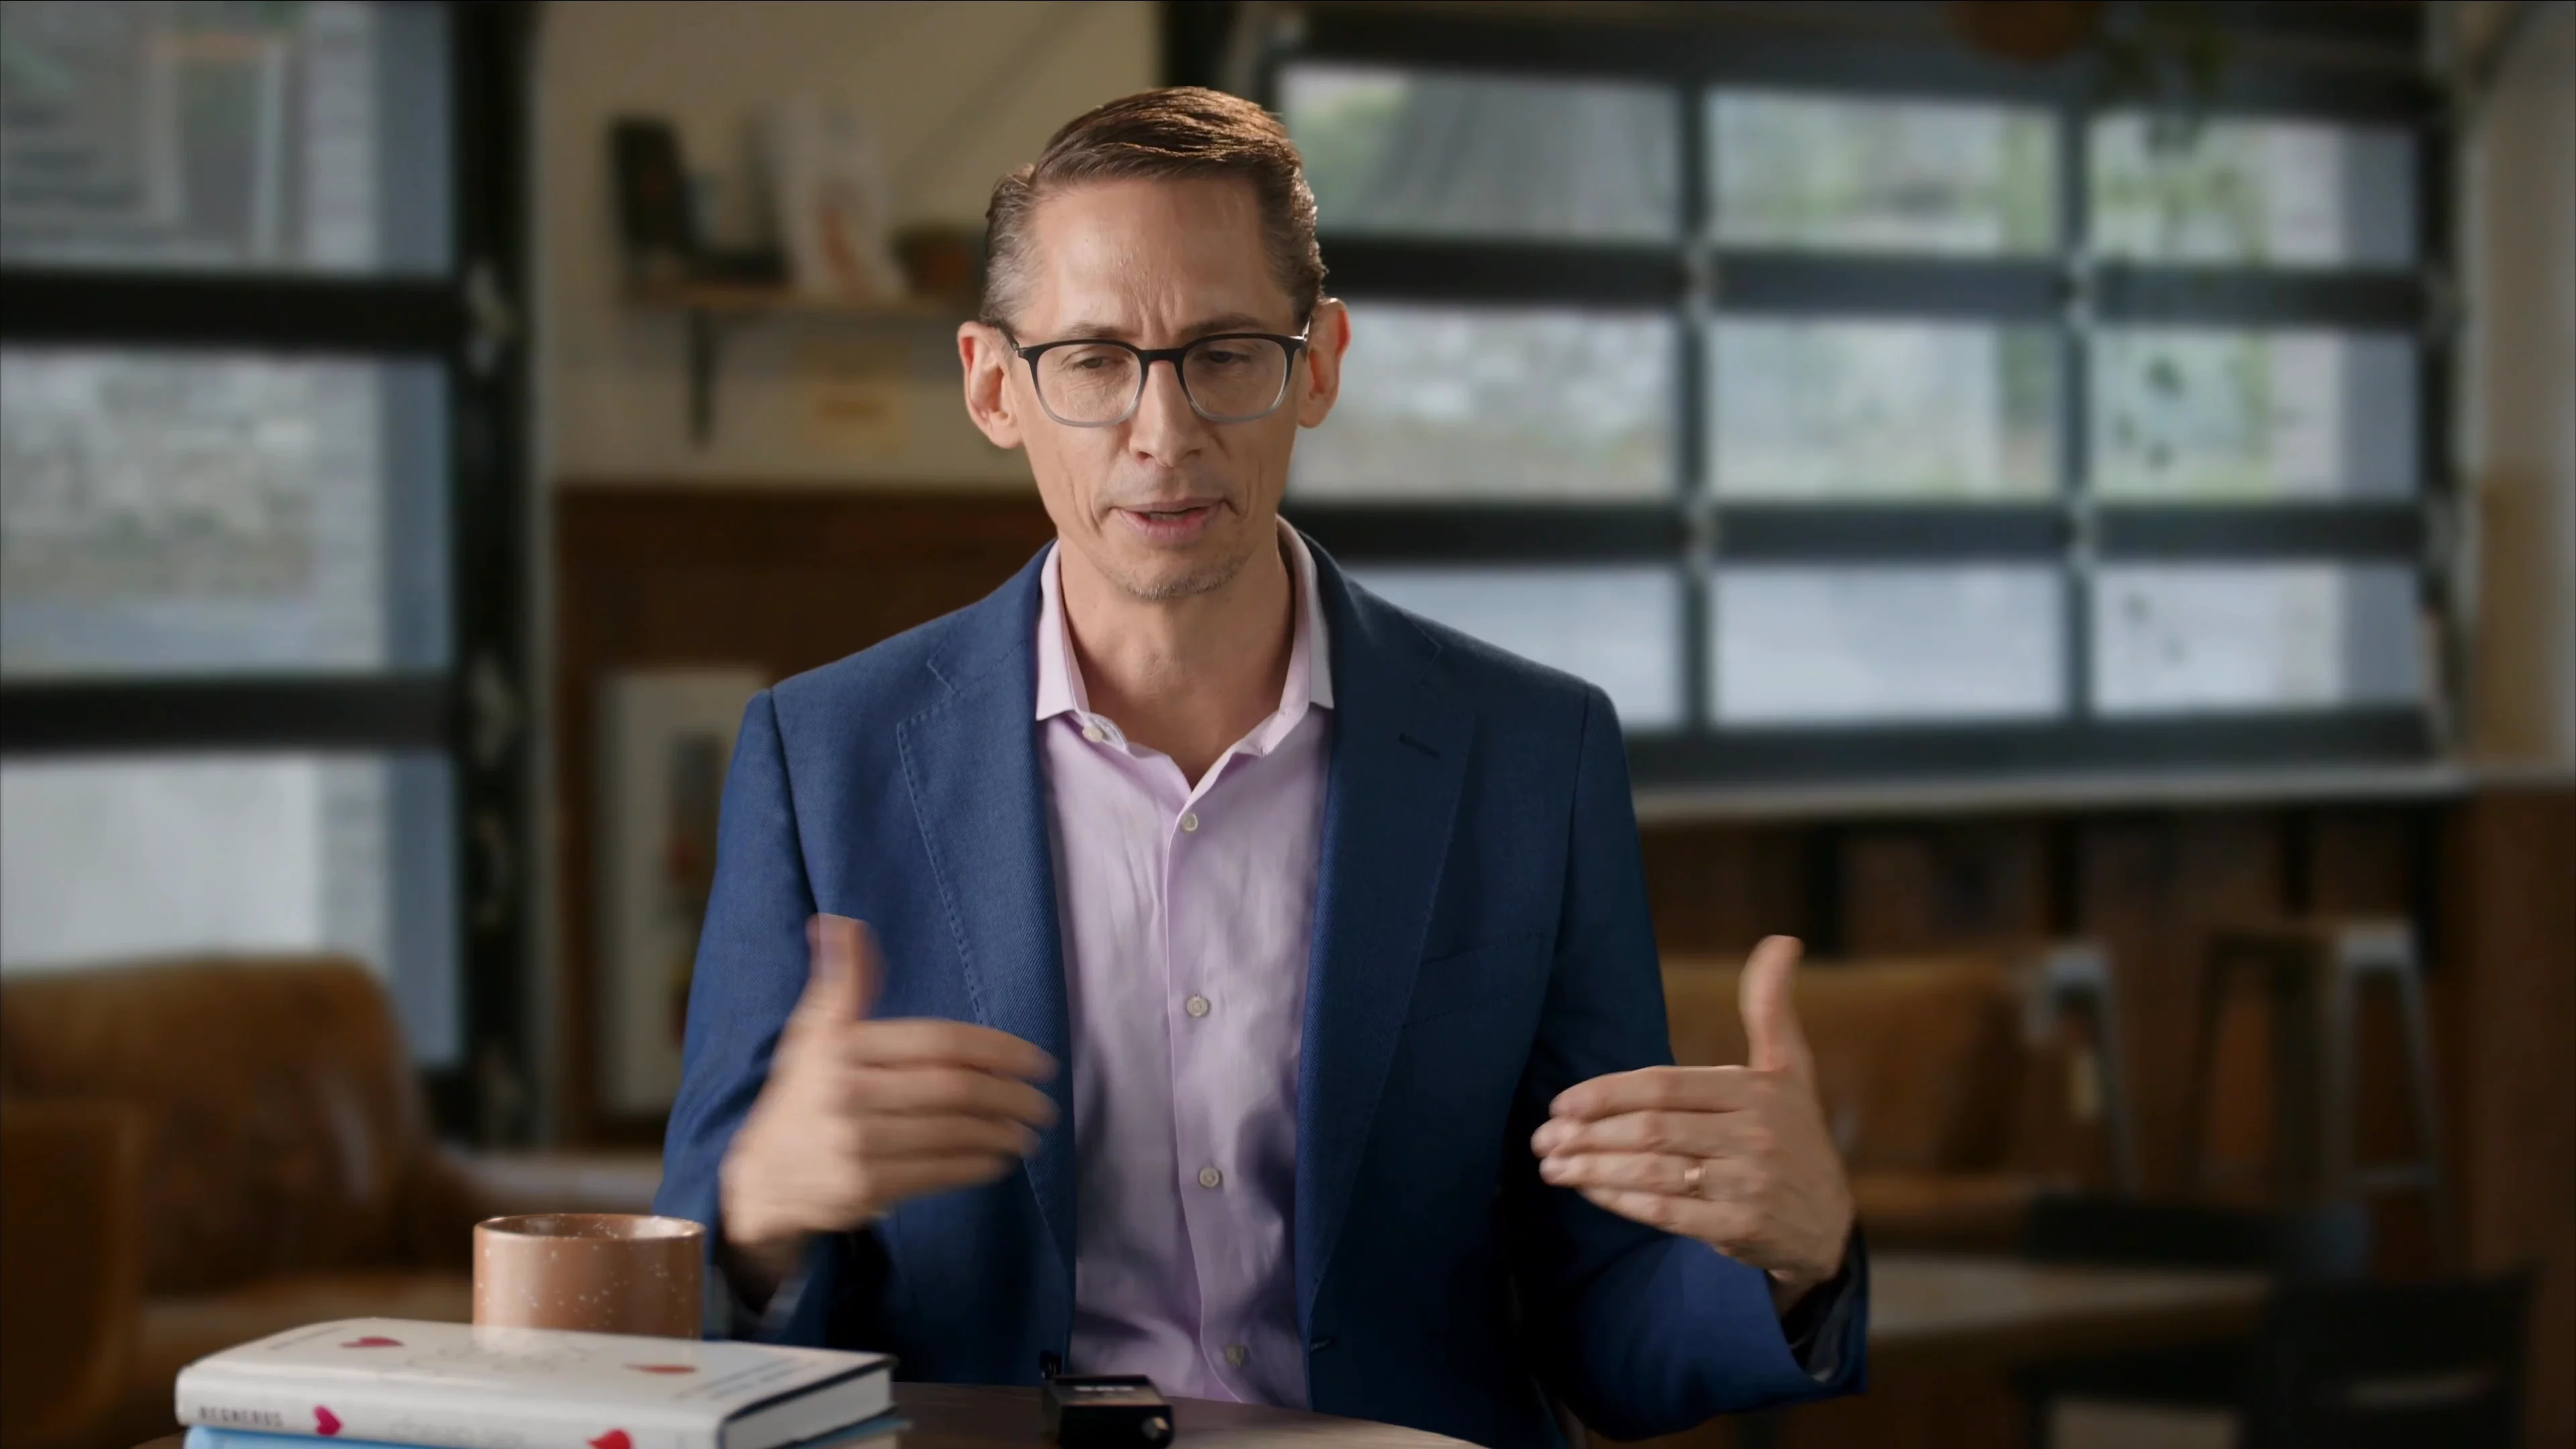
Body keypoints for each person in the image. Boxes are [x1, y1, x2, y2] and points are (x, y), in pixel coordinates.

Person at [655, 87, 1864, 1448]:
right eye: (1094, 361)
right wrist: (758, 1223)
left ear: (1321, 364)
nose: (1164, 432)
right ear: (996, 387)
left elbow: (1604, 1316)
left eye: (1226, 354)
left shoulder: (1533, 754)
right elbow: (701, 1335)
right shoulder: (823, 758)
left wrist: (1793, 1263)